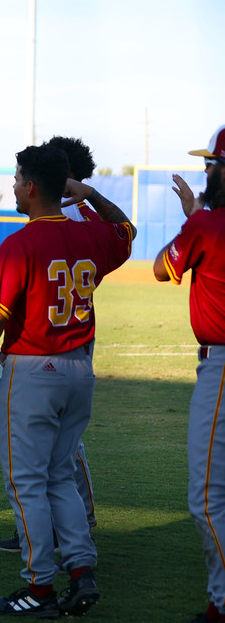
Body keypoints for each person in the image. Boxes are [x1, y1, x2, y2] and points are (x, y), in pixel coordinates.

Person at [0, 144, 134, 617]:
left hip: (35, 370)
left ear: (32, 186)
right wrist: (92, 194)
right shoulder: (88, 235)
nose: (14, 187)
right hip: (80, 368)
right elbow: (126, 229)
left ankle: (39, 589)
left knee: (26, 482)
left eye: (18, 179)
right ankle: (81, 572)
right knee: (60, 475)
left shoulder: (21, 243)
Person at [0, 135, 98, 553]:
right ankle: (70, 548)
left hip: (55, 350)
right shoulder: (81, 224)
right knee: (56, 460)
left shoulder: (73, 222)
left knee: (53, 462)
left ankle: (67, 535)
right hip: (66, 344)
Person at [152, 123, 225, 623]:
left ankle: (223, 604)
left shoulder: (208, 225)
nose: (206, 172)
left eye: (213, 165)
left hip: (221, 368)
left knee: (206, 498)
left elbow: (161, 268)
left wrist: (195, 220)